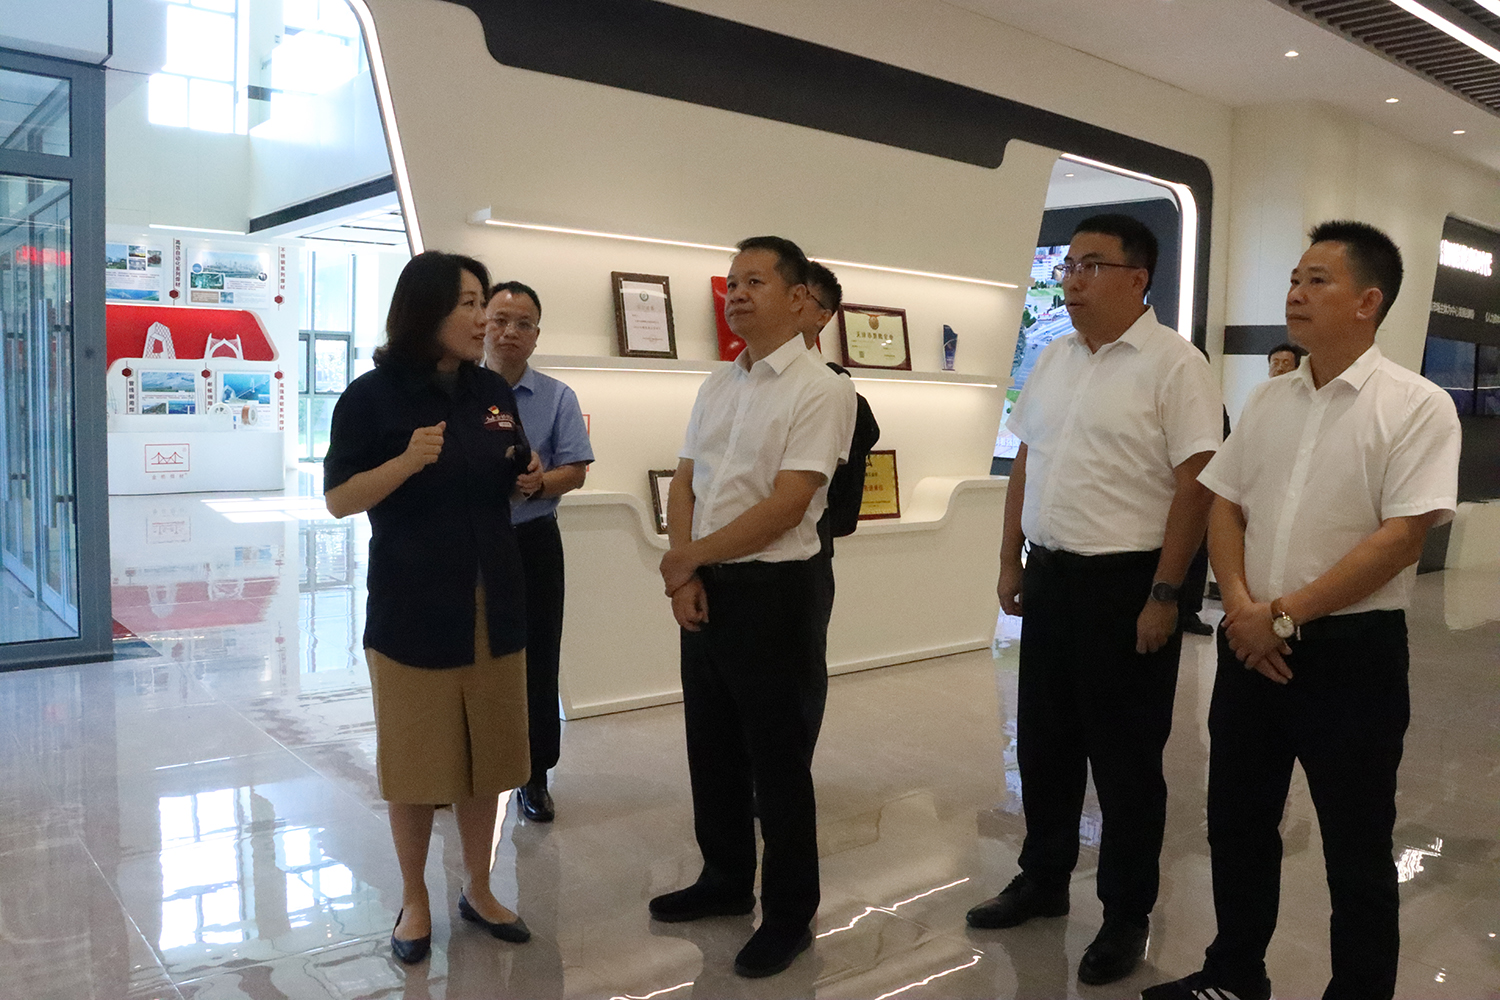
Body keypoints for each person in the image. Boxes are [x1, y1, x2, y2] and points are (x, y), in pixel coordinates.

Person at [1143, 222, 1461, 1000]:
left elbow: (1401, 538)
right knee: (1238, 822)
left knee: (1356, 844)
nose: (1296, 292)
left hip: (1352, 656)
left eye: (1318, 280)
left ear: (1368, 301)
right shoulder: (1269, 399)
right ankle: (1234, 974)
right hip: (1250, 643)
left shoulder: (1417, 406)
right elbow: (1225, 501)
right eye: (1294, 278)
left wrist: (1282, 615)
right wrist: (1242, 607)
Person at [969, 214, 1223, 986]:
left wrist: (1166, 593)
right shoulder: (1054, 357)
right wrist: (1010, 556)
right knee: (1044, 743)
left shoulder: (1175, 365)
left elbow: (1196, 486)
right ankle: (1043, 878)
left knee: (1125, 759)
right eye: (1068, 266)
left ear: (1136, 278)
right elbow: (1026, 460)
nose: (1071, 280)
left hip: (1129, 583)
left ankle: (1124, 913)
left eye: (1090, 265)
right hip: (1051, 576)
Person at [323, 252, 543, 964]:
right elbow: (339, 499)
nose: (486, 320)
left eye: (484, 303)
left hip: (494, 603)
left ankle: (478, 886)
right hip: (413, 608)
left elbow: (507, 467)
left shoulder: (490, 389)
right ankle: (415, 899)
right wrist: (404, 462)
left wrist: (527, 474)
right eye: (470, 305)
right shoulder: (371, 397)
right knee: (417, 766)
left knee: (490, 758)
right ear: (426, 311)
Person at [649, 236, 855, 979]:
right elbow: (685, 481)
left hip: (775, 592)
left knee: (778, 760)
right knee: (711, 745)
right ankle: (726, 878)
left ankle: (790, 914)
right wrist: (686, 569)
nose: (735, 293)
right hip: (708, 583)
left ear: (799, 299)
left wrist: (689, 558)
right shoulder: (718, 383)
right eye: (732, 282)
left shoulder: (822, 388)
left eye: (754, 282)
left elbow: (789, 503)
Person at [483, 280, 594, 823]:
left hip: (532, 542)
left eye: (523, 324)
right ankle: (464, 769)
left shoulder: (557, 396)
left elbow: (575, 469)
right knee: (467, 654)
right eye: (500, 320)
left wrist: (539, 482)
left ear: (536, 335)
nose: (510, 332)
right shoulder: (455, 392)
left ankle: (535, 774)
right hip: (468, 543)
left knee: (537, 656)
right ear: (482, 325)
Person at [800, 261, 880, 633]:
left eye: (801, 296)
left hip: (800, 549)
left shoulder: (830, 388)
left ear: (823, 315)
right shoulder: (728, 382)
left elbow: (796, 494)